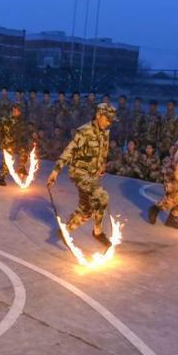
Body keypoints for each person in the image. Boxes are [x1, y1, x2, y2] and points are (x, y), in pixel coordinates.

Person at [46, 103, 116, 250]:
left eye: (111, 120)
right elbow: (69, 150)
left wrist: (101, 166)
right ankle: (98, 232)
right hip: (79, 173)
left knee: (86, 209)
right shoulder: (85, 131)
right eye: (107, 119)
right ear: (98, 115)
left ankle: (66, 231)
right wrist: (56, 171)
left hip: (92, 175)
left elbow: (102, 153)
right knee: (102, 197)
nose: (109, 122)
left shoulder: (104, 133)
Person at [0, 104, 33, 186]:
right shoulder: (6, 118)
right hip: (7, 142)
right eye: (14, 109)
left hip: (18, 141)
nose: (15, 111)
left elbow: (27, 129)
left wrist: (31, 134)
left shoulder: (22, 120)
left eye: (17, 110)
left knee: (24, 153)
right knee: (6, 160)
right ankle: (2, 177)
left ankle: (21, 169)